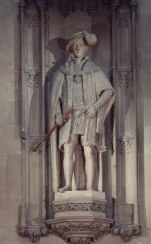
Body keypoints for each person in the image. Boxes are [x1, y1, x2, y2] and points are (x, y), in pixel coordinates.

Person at [49, 31, 115, 192]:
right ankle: (68, 184)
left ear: (87, 48)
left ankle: (91, 187)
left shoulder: (93, 70)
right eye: (74, 46)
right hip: (68, 115)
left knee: (89, 149)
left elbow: (108, 91)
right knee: (68, 148)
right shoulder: (63, 71)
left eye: (81, 45)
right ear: (71, 49)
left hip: (87, 114)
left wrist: (95, 106)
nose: (78, 48)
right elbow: (55, 97)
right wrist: (57, 114)